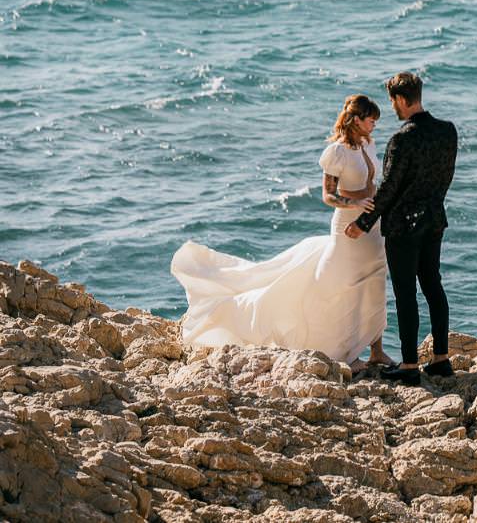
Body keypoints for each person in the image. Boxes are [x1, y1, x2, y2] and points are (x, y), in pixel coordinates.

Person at [171, 95, 392, 371]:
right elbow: (328, 195)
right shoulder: (337, 152)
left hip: (372, 226)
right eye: (371, 121)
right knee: (341, 287)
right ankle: (343, 350)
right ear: (357, 120)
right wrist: (355, 203)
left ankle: (377, 350)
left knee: (374, 282)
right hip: (347, 227)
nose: (375, 126)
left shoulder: (367, 143)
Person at [345, 71, 457, 385]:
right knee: (433, 286)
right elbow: (445, 176)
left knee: (406, 292)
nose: (392, 108)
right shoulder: (447, 131)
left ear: (401, 100)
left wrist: (363, 223)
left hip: (403, 227)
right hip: (434, 219)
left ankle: (409, 366)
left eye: (393, 101)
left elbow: (389, 188)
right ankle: (441, 359)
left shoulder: (402, 138)